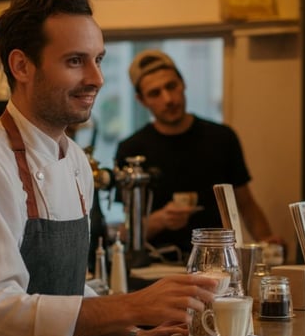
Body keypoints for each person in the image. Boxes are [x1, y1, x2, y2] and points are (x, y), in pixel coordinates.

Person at [0, 0, 218, 336]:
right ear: (22, 67)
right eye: (75, 61)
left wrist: (132, 334)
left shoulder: (77, 160)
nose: (96, 78)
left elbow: (62, 288)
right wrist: (131, 304)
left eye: (98, 59)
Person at [115, 49, 283, 260]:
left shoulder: (222, 137)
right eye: (155, 93)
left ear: (183, 84)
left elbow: (245, 203)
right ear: (141, 100)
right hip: (156, 264)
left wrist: (266, 242)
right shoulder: (131, 150)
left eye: (171, 86)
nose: (168, 99)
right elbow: (127, 231)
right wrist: (160, 220)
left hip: (218, 261)